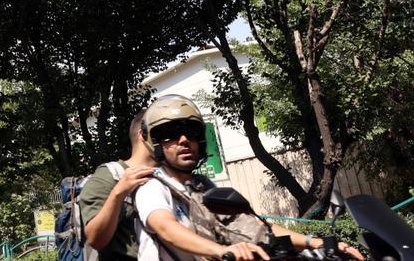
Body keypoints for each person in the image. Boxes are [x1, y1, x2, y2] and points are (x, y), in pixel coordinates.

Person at [133, 95, 364, 261]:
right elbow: (166, 228)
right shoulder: (152, 187)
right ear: (154, 143)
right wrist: (220, 251)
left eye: (191, 133)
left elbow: (255, 227)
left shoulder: (202, 187)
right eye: (170, 134)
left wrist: (315, 242)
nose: (184, 140)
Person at [78, 110, 157, 261]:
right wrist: (119, 192)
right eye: (164, 130)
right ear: (143, 134)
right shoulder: (110, 175)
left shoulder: (172, 175)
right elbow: (96, 239)